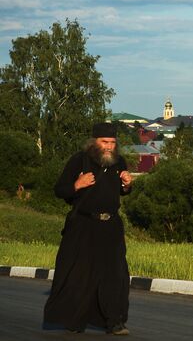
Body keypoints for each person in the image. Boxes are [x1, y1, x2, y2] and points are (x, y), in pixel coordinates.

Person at [43, 122, 133, 335]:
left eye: (112, 142)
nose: (109, 147)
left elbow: (120, 191)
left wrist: (127, 185)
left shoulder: (119, 162)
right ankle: (75, 320)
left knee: (116, 275)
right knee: (80, 275)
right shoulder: (79, 161)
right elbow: (59, 190)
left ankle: (115, 322)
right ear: (94, 142)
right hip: (84, 225)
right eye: (105, 142)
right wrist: (77, 185)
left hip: (111, 226)